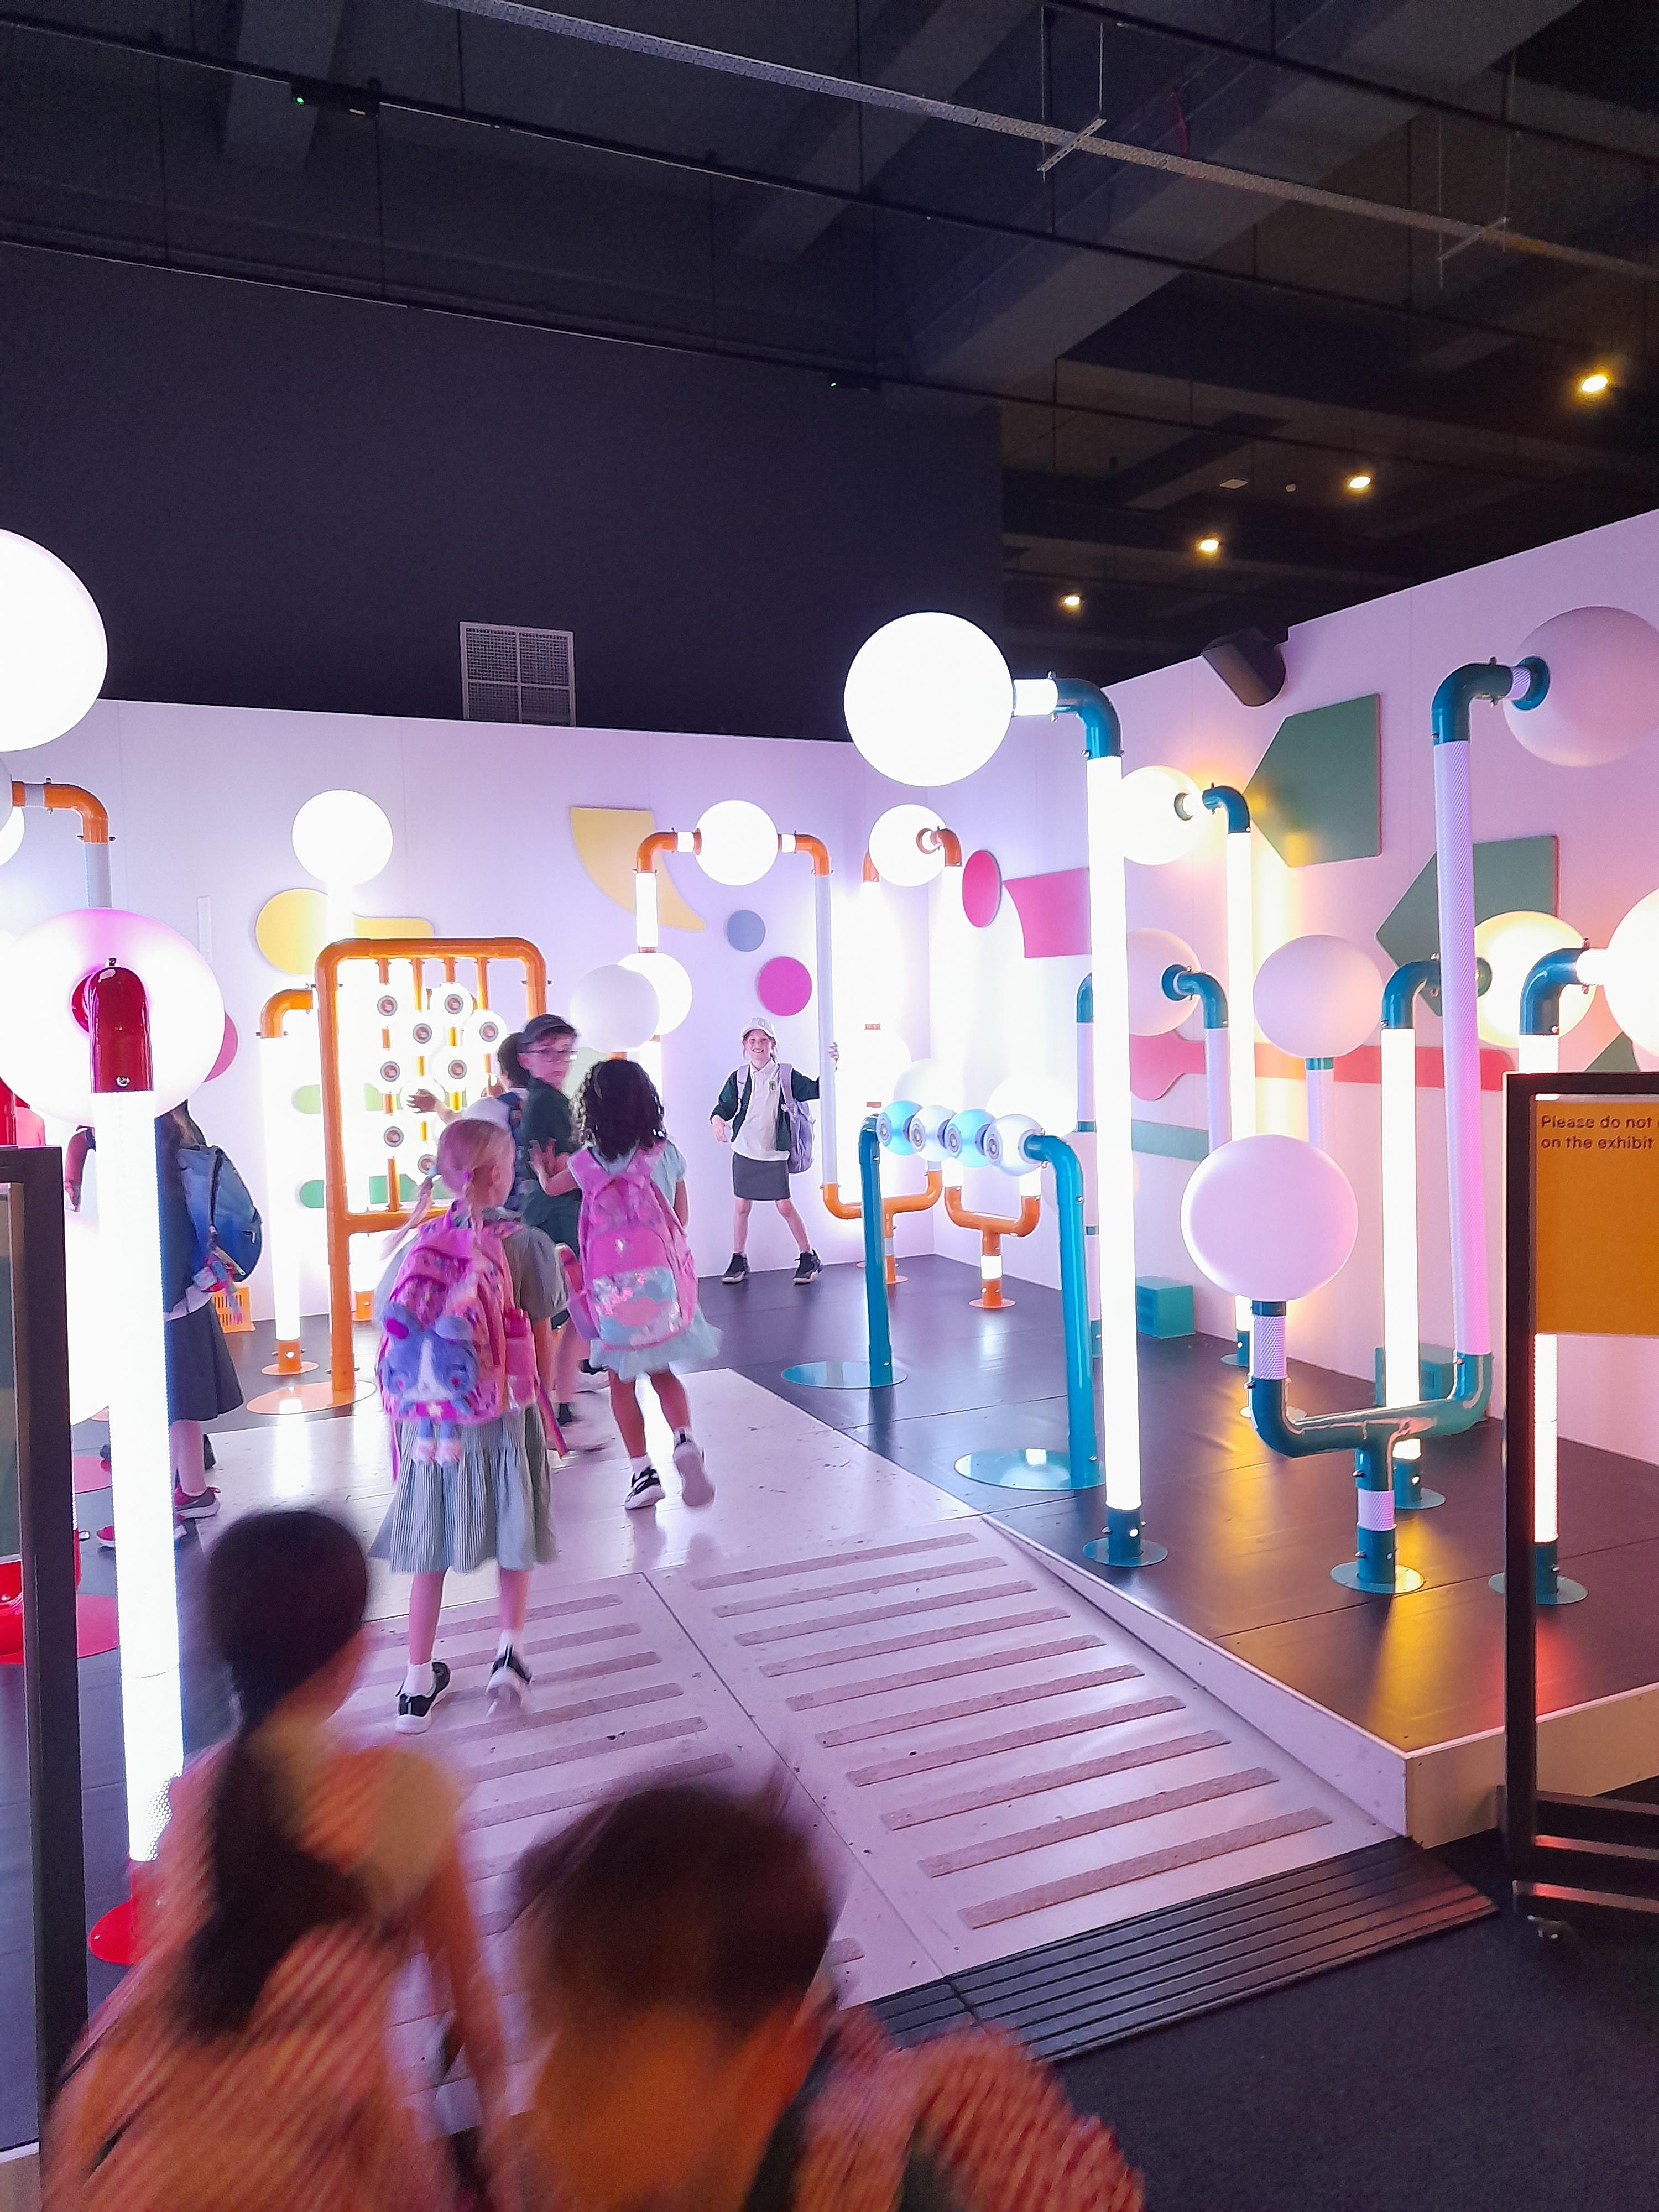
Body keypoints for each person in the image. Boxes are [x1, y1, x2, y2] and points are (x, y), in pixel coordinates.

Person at [43, 1508, 509, 2212]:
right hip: (319, 2166)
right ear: (355, 1652)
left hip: (144, 2163)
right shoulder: (407, 1793)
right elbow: (475, 2018)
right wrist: (501, 2156)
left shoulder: (193, 1793)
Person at [509, 1780, 1144, 2212]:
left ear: (765, 2065)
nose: (537, 2089)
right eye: (535, 2017)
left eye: (602, 2059)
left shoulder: (872, 2191)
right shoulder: (635, 2164)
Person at [372, 1114, 560, 1733]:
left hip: (430, 1427)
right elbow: (540, 1332)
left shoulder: (420, 1243)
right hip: (501, 1413)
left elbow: (386, 1322)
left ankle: (415, 1685)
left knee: (431, 1547)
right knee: (513, 1530)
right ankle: (509, 1654)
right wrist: (544, 1402)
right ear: (501, 1174)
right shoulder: (525, 1244)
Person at [535, 1057, 719, 1514]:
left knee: (621, 1381)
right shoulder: (664, 1152)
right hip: (660, 1287)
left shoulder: (586, 1161)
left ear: (593, 1109)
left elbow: (553, 1188)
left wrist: (541, 1169)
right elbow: (680, 1217)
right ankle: (684, 1440)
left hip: (611, 1293)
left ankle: (642, 1472)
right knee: (663, 1372)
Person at [68, 1106, 243, 1547]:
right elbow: (86, 1138)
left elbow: (164, 1245)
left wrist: (146, 1307)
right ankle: (194, 1492)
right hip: (188, 1298)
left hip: (163, 1305)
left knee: (153, 1412)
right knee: (181, 1405)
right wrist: (78, 1154)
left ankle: (151, 1518)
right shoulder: (177, 1140)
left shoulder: (148, 1169)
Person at [517, 1014, 591, 1432]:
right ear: (527, 1058)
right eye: (548, 1053)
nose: (559, 1061)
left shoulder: (546, 1100)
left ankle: (559, 1398)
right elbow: (562, 1168)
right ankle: (553, 1402)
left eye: (565, 1052)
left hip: (551, 1210)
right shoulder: (548, 1104)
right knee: (571, 1308)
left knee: (565, 1311)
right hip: (557, 1214)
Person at [709, 1018, 825, 1287]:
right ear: (745, 1045)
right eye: (752, 1040)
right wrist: (717, 1120)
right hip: (744, 1150)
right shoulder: (739, 1077)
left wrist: (831, 1065)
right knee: (741, 1206)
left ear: (773, 1044)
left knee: (784, 1205)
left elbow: (816, 1090)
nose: (758, 1045)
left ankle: (808, 1255)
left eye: (763, 1040)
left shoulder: (785, 1075)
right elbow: (724, 1106)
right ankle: (739, 1257)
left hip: (774, 1152)